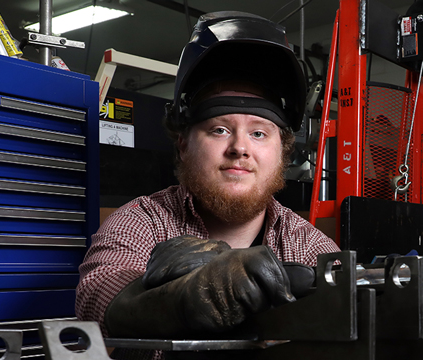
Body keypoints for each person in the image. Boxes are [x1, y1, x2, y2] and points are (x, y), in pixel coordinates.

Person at [75, 11, 340, 360]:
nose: (240, 148)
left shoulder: (307, 245)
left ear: (283, 153)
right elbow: (98, 296)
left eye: (259, 133)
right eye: (219, 129)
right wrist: (178, 301)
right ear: (184, 144)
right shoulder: (140, 222)